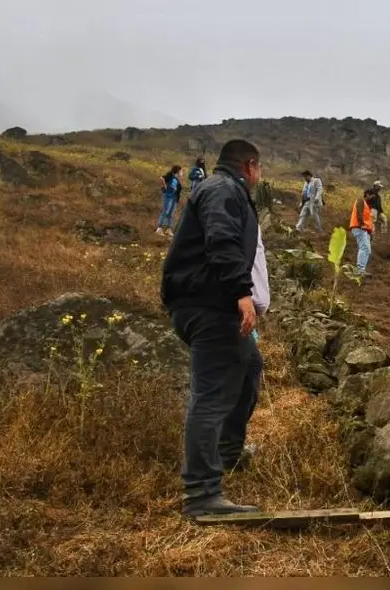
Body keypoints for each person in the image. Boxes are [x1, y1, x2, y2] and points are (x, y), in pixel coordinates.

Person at [160, 139, 268, 518]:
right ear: (250, 166)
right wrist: (241, 292)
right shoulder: (223, 190)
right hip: (210, 305)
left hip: (206, 301)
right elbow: (221, 239)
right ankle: (202, 494)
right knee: (210, 396)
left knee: (250, 367)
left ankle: (226, 453)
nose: (260, 176)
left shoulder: (221, 188)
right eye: (260, 169)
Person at [349, 190, 374, 277]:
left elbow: (368, 219)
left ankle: (362, 269)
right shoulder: (360, 201)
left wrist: (370, 232)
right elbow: (359, 213)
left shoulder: (367, 205)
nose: (372, 198)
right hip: (359, 227)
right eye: (372, 196)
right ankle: (360, 270)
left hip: (364, 229)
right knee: (364, 248)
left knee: (367, 250)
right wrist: (361, 224)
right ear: (367, 194)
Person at [156, 165, 183, 237]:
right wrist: (165, 187)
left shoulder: (177, 179)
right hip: (168, 197)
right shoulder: (170, 176)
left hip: (174, 198)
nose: (182, 172)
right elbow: (162, 178)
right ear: (177, 171)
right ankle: (159, 228)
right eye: (181, 171)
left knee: (171, 213)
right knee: (165, 211)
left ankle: (169, 229)